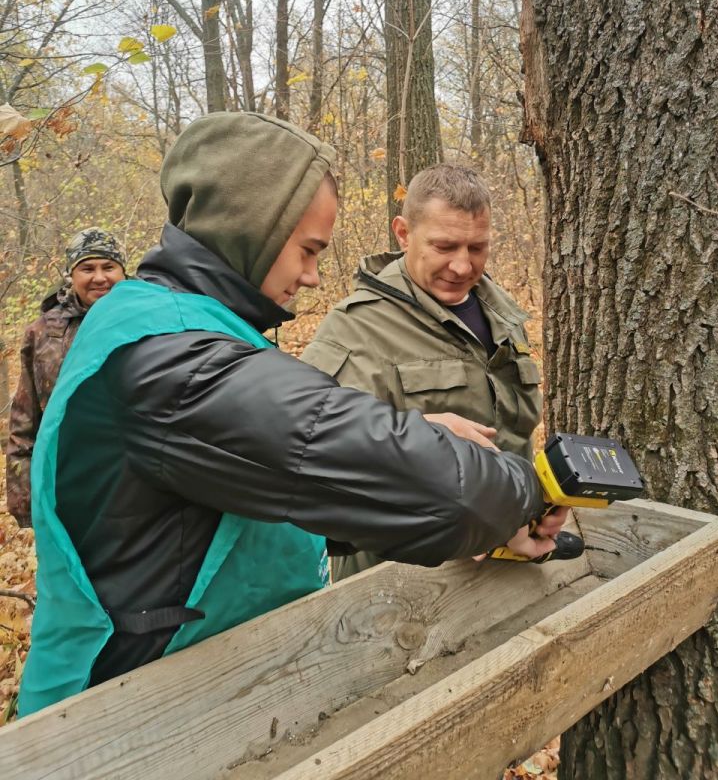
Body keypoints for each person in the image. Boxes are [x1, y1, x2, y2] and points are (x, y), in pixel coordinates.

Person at [18, 112, 565, 718]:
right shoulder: (172, 360)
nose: (311, 275)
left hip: (199, 690)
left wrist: (424, 451)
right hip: (114, 719)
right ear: (252, 229)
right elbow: (429, 483)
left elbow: (274, 494)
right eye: (307, 250)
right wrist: (523, 495)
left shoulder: (175, 327)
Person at [302, 164, 543, 579]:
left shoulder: (501, 313)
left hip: (509, 559)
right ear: (403, 233)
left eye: (477, 248)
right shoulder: (354, 329)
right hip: (401, 581)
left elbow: (514, 433)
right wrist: (421, 437)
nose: (463, 267)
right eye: (445, 246)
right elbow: (314, 460)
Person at [5, 228, 126, 527]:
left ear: (123, 272)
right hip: (69, 482)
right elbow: (24, 418)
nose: (99, 277)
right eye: (87, 268)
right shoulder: (44, 331)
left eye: (108, 267)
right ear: (71, 275)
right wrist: (24, 500)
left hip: (134, 480)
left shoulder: (150, 318)